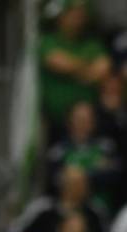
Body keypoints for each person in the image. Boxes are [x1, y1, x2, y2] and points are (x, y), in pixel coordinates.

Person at [39, 0, 111, 138]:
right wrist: (87, 68)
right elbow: (56, 62)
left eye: (81, 14)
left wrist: (74, 68)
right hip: (57, 122)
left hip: (90, 124)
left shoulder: (92, 43)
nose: (78, 18)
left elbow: (103, 70)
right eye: (72, 13)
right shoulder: (49, 41)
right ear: (61, 17)